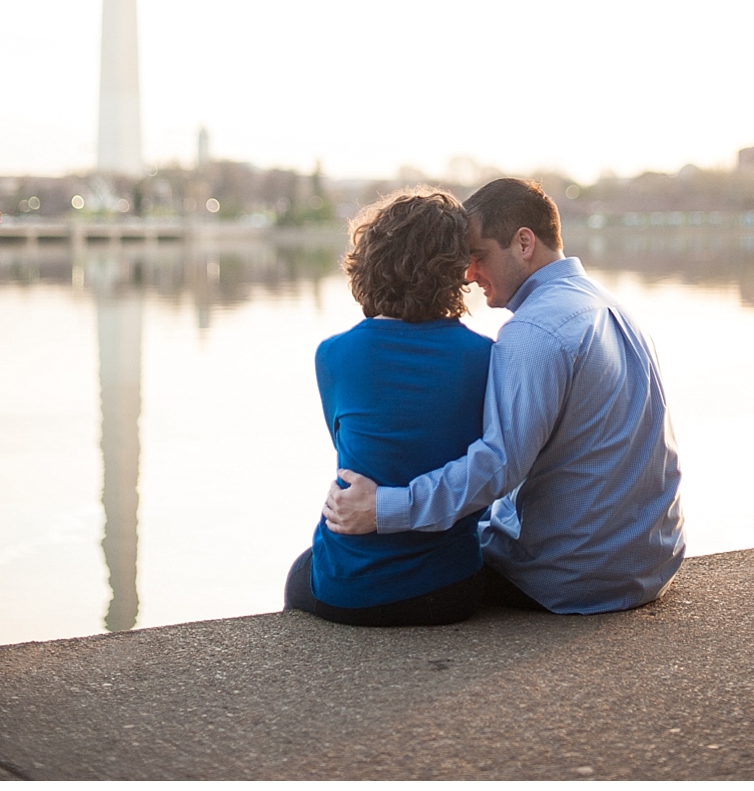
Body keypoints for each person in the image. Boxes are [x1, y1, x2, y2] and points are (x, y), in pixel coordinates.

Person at [323, 177, 685, 614]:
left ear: (524, 243)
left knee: (377, 569)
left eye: (478, 257)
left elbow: (497, 466)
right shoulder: (609, 306)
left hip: (572, 578)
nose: (468, 275)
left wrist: (383, 509)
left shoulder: (532, 333)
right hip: (651, 561)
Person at [284, 186, 493, 626]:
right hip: (451, 589)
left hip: (351, 590)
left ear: (369, 260)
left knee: (299, 573)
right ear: (456, 271)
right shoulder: (487, 357)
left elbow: (354, 452)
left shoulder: (334, 355)